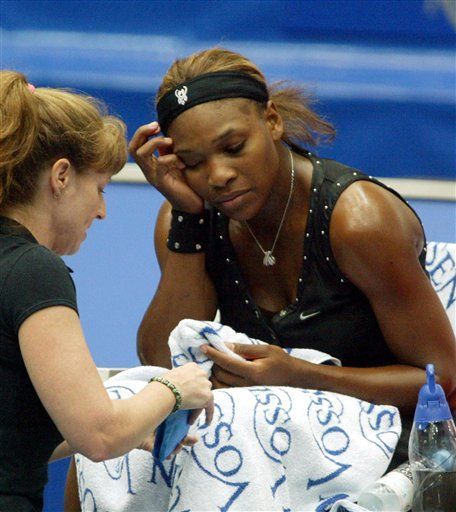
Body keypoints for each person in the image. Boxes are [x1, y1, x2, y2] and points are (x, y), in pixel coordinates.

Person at [128, 47, 456, 465]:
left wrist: (301, 377)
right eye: (193, 163)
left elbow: (439, 381)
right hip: (263, 435)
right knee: (123, 446)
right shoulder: (191, 218)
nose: (218, 176)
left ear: (272, 120)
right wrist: (188, 222)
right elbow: (162, 360)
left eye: (234, 147)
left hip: (389, 437)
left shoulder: (359, 223)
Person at [0, 70, 214, 512]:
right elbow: (99, 436)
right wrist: (174, 387)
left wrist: (137, 422)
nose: (101, 211)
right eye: (99, 188)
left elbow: (13, 439)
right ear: (61, 176)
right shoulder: (33, 270)